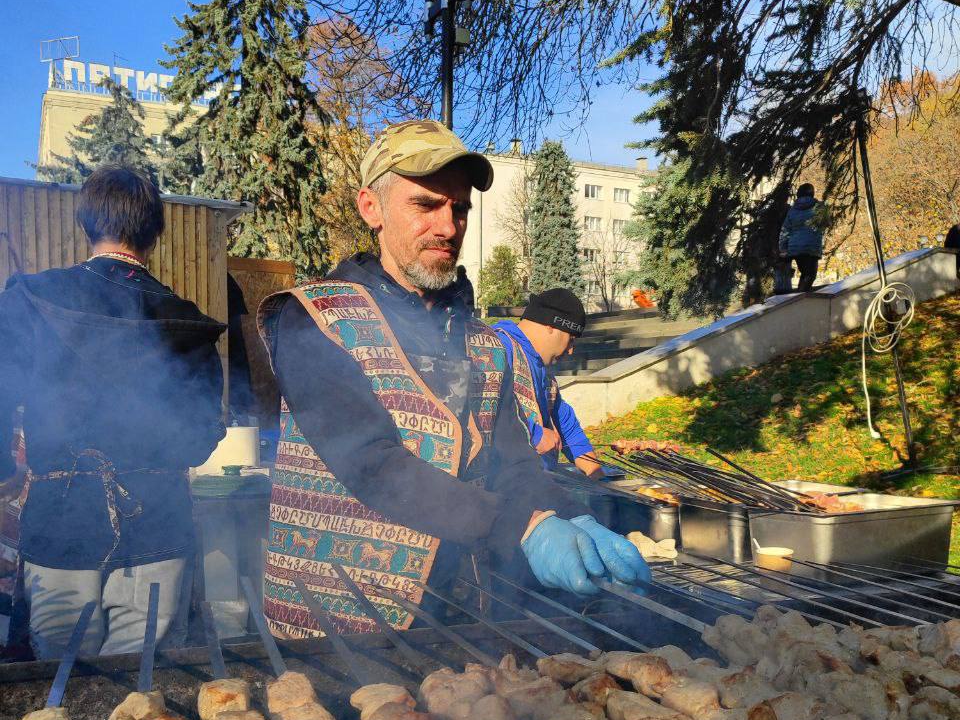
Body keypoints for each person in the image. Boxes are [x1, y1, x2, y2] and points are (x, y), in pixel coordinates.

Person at [257, 119, 648, 637]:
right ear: (371, 208)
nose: (448, 227)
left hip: (456, 619)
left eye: (458, 208)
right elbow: (372, 464)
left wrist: (570, 514)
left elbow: (513, 462)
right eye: (425, 205)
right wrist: (523, 527)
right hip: (337, 626)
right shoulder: (314, 316)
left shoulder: (484, 343)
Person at [0, 165, 226, 658]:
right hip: (158, 526)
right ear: (155, 234)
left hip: (60, 526)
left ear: (87, 224)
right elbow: (203, 436)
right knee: (143, 697)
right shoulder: (185, 320)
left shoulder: (32, 299)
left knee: (61, 693)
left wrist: (5, 473)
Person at [492, 290, 602, 478]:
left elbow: (563, 418)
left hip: (535, 485)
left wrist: (595, 472)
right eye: (571, 339)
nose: (570, 350)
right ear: (553, 325)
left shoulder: (542, 367)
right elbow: (482, 409)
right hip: (500, 488)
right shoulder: (497, 348)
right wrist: (534, 435)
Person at [776, 183, 825, 293]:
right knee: (810, 275)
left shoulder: (793, 210)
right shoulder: (819, 207)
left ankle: (800, 296)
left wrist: (783, 248)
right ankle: (799, 299)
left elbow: (785, 230)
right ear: (812, 193)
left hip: (795, 248)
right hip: (811, 247)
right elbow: (826, 223)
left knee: (805, 274)